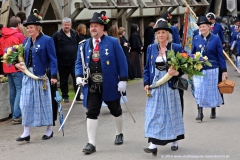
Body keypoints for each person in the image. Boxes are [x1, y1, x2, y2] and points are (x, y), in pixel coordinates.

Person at [75, 11, 128, 154]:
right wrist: (78, 76)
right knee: (91, 112)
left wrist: (123, 80)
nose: (93, 28)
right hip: (92, 84)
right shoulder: (84, 44)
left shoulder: (112, 42)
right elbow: (79, 62)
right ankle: (91, 143)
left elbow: (122, 62)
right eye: (91, 26)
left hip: (110, 83)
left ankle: (119, 133)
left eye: (96, 26)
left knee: (116, 111)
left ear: (102, 28)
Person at [14, 9, 58, 142]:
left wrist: (54, 76)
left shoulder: (47, 40)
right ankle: (26, 132)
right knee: (25, 103)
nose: (29, 29)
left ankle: (49, 130)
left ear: (38, 27)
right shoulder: (26, 41)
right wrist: (17, 64)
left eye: (31, 27)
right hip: (28, 76)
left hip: (42, 77)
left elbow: (53, 59)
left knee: (45, 104)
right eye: (27, 27)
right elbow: (21, 57)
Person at [143, 20, 185, 156]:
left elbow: (185, 66)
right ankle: (153, 144)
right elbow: (147, 69)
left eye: (163, 32)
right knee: (154, 114)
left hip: (170, 86)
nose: (160, 35)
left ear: (168, 34)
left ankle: (175, 140)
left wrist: (178, 73)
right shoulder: (151, 48)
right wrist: (146, 83)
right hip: (156, 86)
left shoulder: (176, 47)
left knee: (171, 113)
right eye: (158, 33)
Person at [191, 15, 227, 121]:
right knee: (199, 89)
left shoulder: (215, 39)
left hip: (213, 69)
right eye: (200, 27)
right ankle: (200, 112)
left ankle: (213, 109)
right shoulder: (196, 38)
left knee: (212, 90)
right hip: (199, 68)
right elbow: (192, 53)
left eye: (204, 26)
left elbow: (220, 55)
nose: (202, 29)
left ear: (209, 27)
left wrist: (224, 70)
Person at [0, 16, 25, 124]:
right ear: (19, 25)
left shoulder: (2, 37)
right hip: (17, 67)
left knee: (13, 91)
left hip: (7, 67)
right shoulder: (19, 35)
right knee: (20, 90)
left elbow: (2, 53)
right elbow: (25, 49)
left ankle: (14, 114)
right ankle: (16, 115)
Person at [52, 17, 80, 103]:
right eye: (65, 25)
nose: (67, 26)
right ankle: (65, 96)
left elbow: (79, 44)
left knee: (77, 79)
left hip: (74, 61)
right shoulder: (57, 35)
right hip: (62, 62)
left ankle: (78, 96)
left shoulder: (75, 33)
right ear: (62, 25)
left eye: (68, 25)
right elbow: (52, 46)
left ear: (71, 25)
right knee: (64, 80)